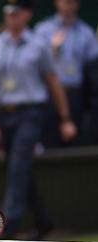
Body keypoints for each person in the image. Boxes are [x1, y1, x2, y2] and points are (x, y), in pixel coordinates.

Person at [0, 0, 76, 240]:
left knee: (18, 165)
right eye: (8, 13)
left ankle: (9, 224)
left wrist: (65, 118)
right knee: (19, 168)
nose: (11, 17)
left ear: (26, 15)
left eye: (16, 13)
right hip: (4, 115)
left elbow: (53, 82)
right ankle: (44, 221)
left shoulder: (39, 45)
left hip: (31, 113)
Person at [34, 0, 98, 147]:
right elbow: (34, 65)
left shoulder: (86, 33)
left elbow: (92, 73)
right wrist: (52, 51)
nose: (68, 5)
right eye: (65, 1)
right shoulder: (43, 30)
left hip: (76, 95)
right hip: (49, 95)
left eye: (72, 1)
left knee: (76, 144)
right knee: (48, 143)